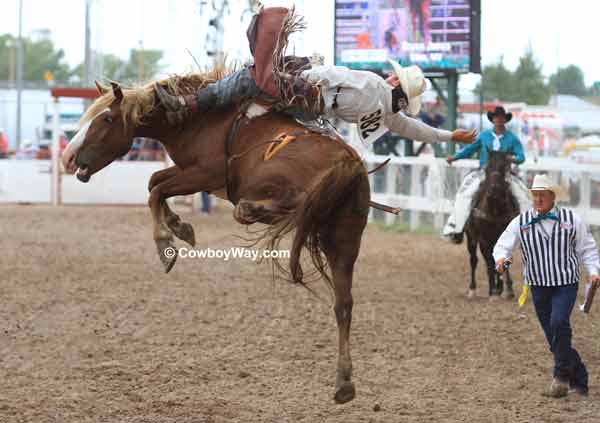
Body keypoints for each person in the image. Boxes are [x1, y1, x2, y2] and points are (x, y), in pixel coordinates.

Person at [154, 6, 476, 149]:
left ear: (395, 81)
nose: (391, 76)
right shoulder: (390, 116)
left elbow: (333, 73)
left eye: (395, 76)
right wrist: (449, 137)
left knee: (248, 79)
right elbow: (417, 130)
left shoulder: (374, 83)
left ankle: (188, 104)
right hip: (316, 113)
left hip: (310, 95)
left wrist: (302, 71)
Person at [493, 174, 600, 398]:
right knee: (554, 338)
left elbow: (587, 248)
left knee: (559, 322)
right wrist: (501, 259)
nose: (538, 199)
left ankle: (560, 377)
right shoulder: (521, 222)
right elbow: (503, 245)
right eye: (535, 195)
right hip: (538, 285)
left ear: (553, 197)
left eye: (542, 195)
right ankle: (580, 380)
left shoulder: (572, 219)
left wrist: (593, 271)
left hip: (566, 283)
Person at [443, 106, 529, 243]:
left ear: (505, 120)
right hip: (484, 172)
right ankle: (456, 227)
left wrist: (513, 159)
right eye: (496, 117)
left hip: (505, 174)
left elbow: (521, 156)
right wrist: (455, 157)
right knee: (464, 193)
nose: (499, 120)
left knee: (524, 196)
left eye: (501, 117)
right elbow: (469, 149)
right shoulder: (483, 136)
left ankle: (527, 232)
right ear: (493, 119)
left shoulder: (512, 139)